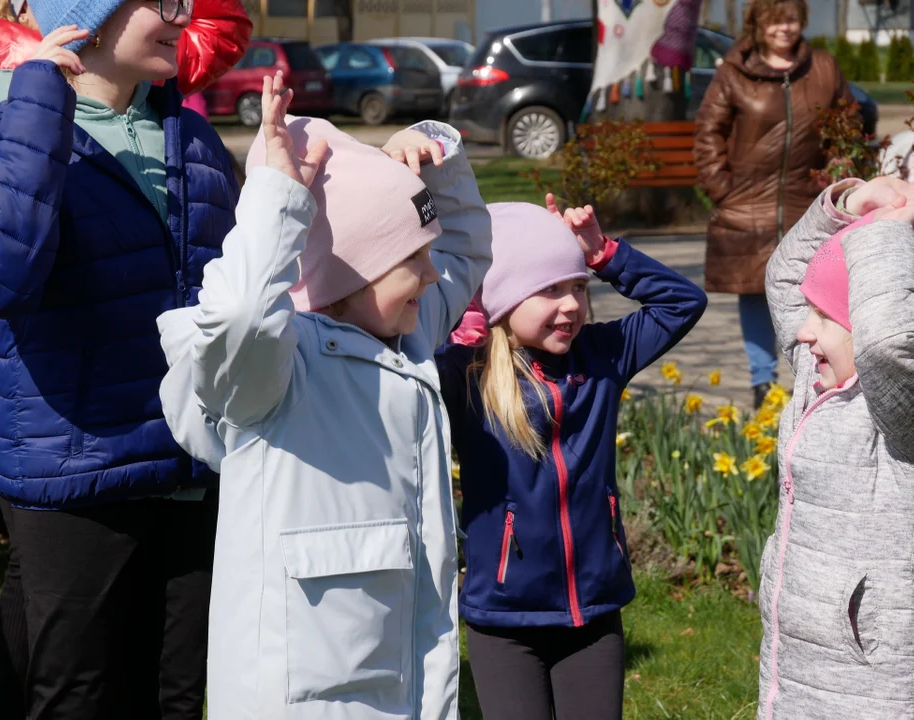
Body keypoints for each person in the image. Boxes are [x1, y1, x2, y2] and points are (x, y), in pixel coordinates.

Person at [156, 72, 491, 719]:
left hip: (398, 689)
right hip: (295, 698)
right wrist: (277, 198)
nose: (432, 271)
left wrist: (437, 157)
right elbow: (242, 314)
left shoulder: (403, 336)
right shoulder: (273, 374)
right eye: (411, 258)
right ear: (348, 273)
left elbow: (466, 251)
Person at [0, 1, 249, 717]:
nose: (188, 16)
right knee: (75, 698)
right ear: (90, 16)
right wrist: (34, 108)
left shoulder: (194, 137)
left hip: (188, 473)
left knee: (175, 698)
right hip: (81, 471)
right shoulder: (7, 127)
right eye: (167, 2)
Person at [436, 197, 707, 719]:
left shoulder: (604, 357)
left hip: (593, 612)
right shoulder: (465, 375)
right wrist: (457, 307)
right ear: (502, 298)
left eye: (579, 287)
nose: (571, 305)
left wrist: (604, 254)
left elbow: (682, 303)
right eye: (549, 289)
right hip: (504, 617)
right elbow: (401, 351)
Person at [759, 175, 914, 719]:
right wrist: (848, 209)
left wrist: (887, 235)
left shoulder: (901, 411)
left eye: (824, 317)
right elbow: (785, 278)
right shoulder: (819, 375)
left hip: (873, 689)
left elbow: (891, 346)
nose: (803, 332)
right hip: (798, 672)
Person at [694, 0, 853, 408]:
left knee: (815, 292)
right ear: (757, 24)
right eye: (774, 19)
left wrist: (838, 177)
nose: (785, 27)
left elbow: (846, 125)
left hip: (809, 203)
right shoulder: (732, 73)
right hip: (746, 205)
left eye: (792, 18)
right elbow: (709, 132)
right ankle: (762, 382)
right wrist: (722, 188)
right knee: (753, 292)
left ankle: (811, 373)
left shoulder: (823, 67)